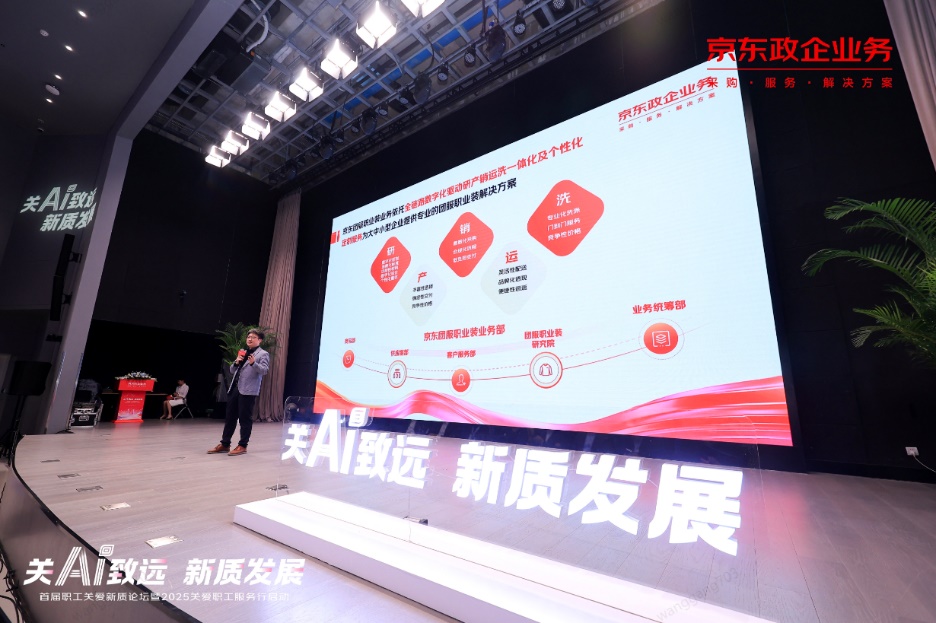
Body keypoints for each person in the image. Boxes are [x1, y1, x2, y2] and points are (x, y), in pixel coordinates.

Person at [208, 329, 269, 456]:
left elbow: (264, 371)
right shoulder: (243, 352)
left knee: (244, 419)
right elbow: (232, 370)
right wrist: (236, 362)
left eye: (253, 337)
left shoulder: (263, 354)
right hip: (235, 389)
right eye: (248, 337)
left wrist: (254, 363)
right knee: (230, 417)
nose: (250, 339)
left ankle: (242, 445)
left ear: (260, 340)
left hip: (248, 391)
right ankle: (225, 444)